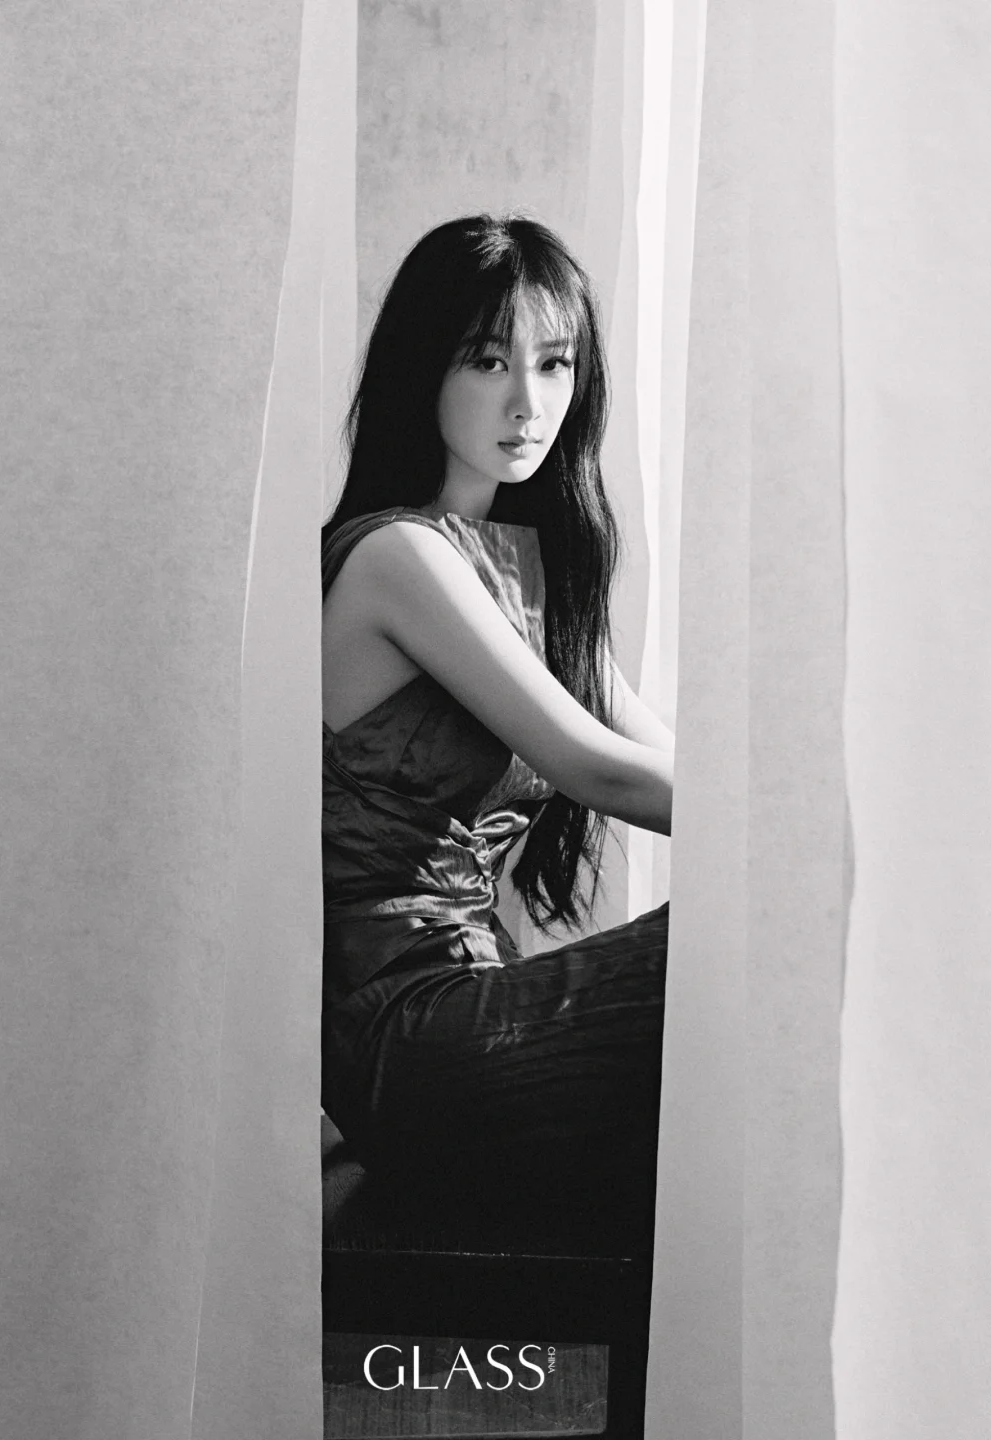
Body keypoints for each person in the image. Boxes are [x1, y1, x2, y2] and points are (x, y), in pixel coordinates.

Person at [320, 215, 673, 1238]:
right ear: (422, 370)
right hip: (406, 1038)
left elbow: (659, 756)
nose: (529, 402)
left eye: (555, 363)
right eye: (487, 360)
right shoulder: (397, 557)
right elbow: (600, 771)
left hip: (482, 1001)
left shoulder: (529, 571)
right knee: (731, 948)